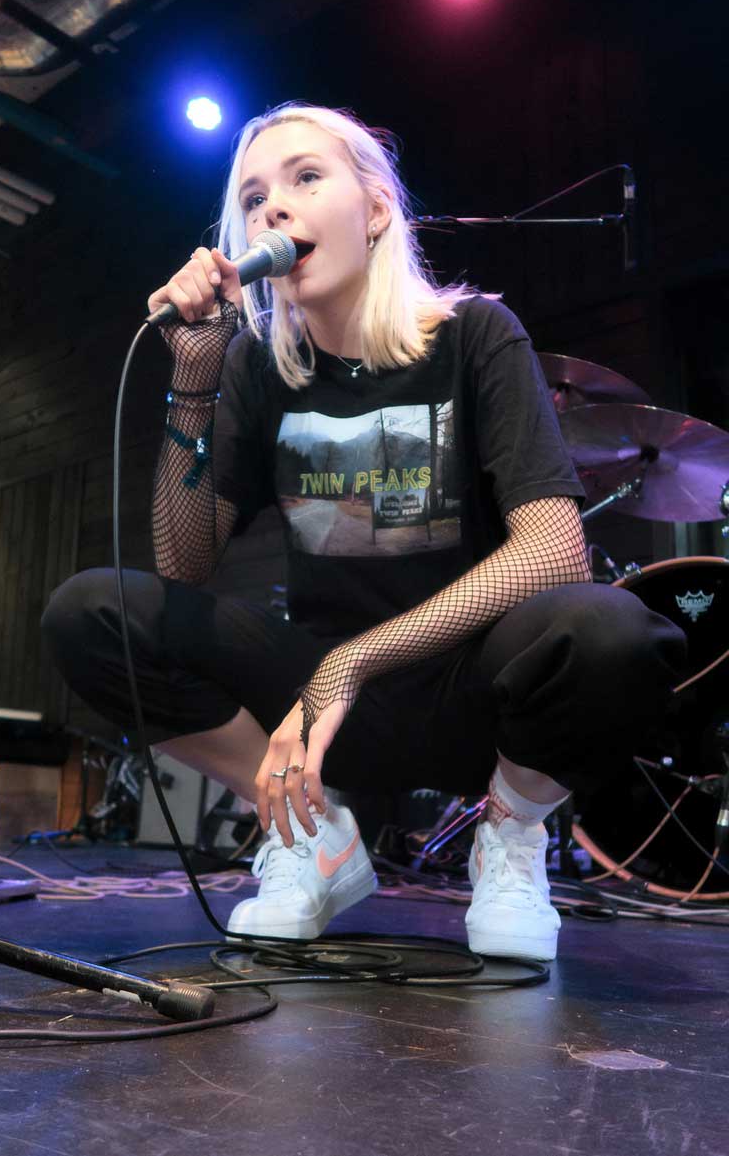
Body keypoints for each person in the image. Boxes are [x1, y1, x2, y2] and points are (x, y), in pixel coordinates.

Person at [41, 102, 686, 960]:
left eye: (307, 177)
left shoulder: (475, 336)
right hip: (320, 711)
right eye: (255, 195)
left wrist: (355, 659)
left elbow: (554, 550)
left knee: (614, 633)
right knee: (92, 615)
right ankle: (314, 829)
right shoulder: (257, 369)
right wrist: (194, 377)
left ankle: (510, 827)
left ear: (376, 209)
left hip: (469, 693)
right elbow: (183, 564)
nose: (273, 207)